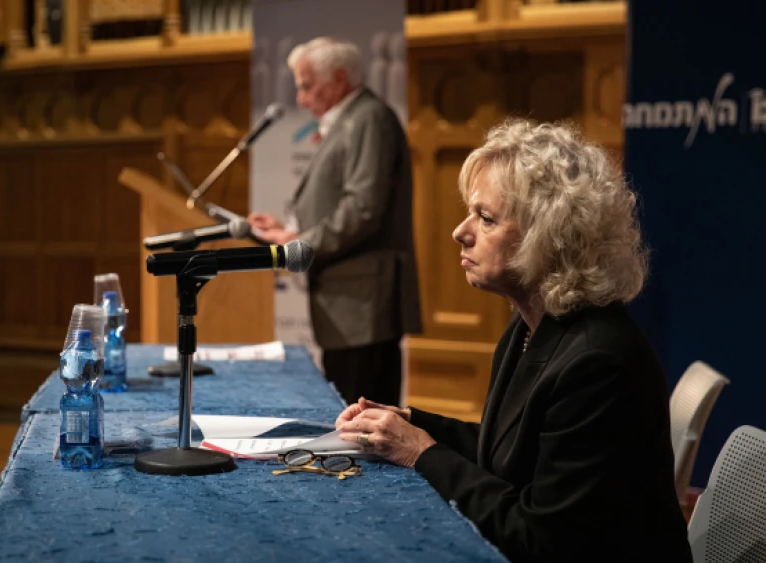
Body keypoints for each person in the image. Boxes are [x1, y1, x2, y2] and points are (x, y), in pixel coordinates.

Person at [335, 119, 693, 563]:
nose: (460, 232)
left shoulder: (599, 362)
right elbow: (510, 450)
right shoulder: (532, 323)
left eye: (485, 218)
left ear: (549, 237)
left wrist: (420, 451)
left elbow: (540, 541)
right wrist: (409, 421)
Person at [248, 37, 422, 407]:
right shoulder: (353, 119)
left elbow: (363, 208)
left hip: (362, 304)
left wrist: (301, 248)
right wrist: (290, 233)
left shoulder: (368, 118)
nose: (300, 98)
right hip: (350, 302)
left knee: (360, 416)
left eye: (307, 85)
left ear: (340, 78)